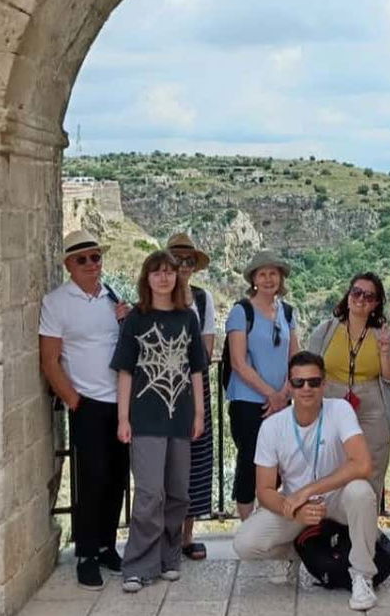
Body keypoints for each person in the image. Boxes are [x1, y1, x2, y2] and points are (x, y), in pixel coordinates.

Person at [232, 351, 381, 611]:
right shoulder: (272, 427)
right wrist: (296, 509)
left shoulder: (340, 410)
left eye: (313, 382)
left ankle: (362, 575)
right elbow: (265, 490)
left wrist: (309, 490)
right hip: (295, 504)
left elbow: (363, 464)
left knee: (360, 491)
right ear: (289, 386)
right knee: (244, 543)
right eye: (299, 383)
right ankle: (293, 555)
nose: (306, 389)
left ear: (324, 384)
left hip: (336, 497)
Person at [39, 230, 131, 590]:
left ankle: (107, 545)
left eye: (96, 257)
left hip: (119, 404)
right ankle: (86, 553)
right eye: (83, 259)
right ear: (68, 265)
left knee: (117, 477)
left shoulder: (111, 298)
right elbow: (49, 360)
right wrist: (74, 400)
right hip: (88, 404)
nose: (92, 264)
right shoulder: (57, 302)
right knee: (90, 480)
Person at [111, 250, 208, 592]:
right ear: (147, 278)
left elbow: (196, 370)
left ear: (176, 278)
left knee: (178, 492)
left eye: (169, 272)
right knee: (150, 493)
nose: (164, 278)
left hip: (180, 418)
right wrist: (123, 418)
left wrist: (198, 413)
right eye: (156, 272)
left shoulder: (187, 319)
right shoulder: (136, 319)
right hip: (145, 418)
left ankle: (169, 558)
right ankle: (138, 564)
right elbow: (125, 371)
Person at [307, 273, 390, 500]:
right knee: (329, 465)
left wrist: (386, 353)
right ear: (348, 296)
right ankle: (330, 528)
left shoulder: (383, 335)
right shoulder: (326, 330)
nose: (361, 299)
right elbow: (310, 368)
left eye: (369, 296)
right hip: (331, 403)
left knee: (372, 467)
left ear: (376, 304)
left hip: (372, 407)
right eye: (356, 292)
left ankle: (365, 527)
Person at [225, 250, 300, 520]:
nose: (268, 279)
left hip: (282, 402)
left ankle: (269, 518)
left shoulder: (289, 313)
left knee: (280, 464)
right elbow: (238, 362)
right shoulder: (241, 312)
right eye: (262, 274)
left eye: (273, 273)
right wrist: (273, 395)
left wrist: (284, 394)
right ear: (253, 279)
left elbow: (296, 359)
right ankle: (247, 526)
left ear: (281, 278)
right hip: (248, 403)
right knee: (249, 463)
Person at [164, 232, 217, 560]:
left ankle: (186, 537)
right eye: (177, 259)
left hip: (195, 387)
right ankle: (164, 536)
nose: (183, 266)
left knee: (196, 462)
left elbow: (207, 346)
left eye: (188, 260)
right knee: (163, 463)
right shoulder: (155, 296)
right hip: (162, 392)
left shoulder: (202, 298)